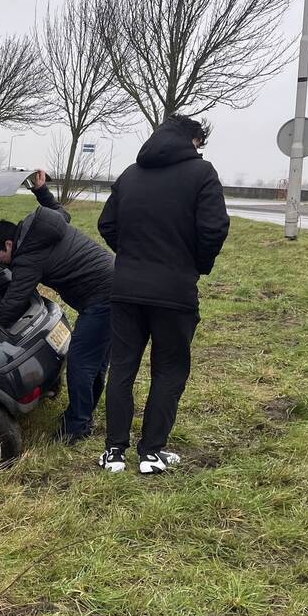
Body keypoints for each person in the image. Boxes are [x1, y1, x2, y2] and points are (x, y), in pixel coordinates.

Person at [97, 114, 229, 474]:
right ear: (193, 140)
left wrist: (131, 256)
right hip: (174, 290)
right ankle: (151, 453)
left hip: (125, 289)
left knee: (122, 368)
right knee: (168, 370)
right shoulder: (202, 174)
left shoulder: (129, 174)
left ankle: (114, 452)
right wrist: (196, 265)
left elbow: (106, 224)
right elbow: (215, 228)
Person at [0, 170, 115, 444]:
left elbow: (15, 299)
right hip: (117, 285)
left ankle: (77, 428)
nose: (1, 263)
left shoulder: (27, 255)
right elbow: (58, 212)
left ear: (9, 243)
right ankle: (83, 415)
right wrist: (41, 191)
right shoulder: (38, 228)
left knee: (80, 362)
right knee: (96, 360)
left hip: (103, 298)